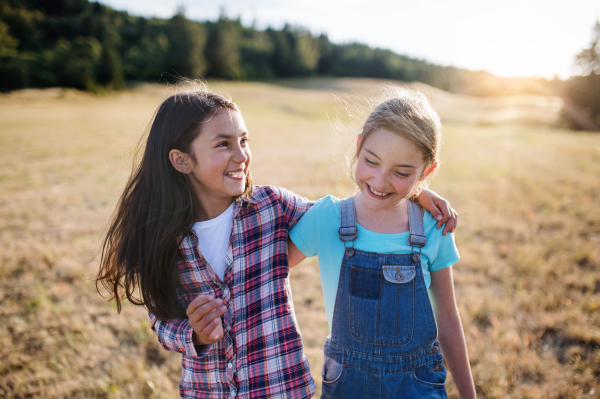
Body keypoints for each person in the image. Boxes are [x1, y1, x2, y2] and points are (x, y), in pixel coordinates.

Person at [96, 87, 458, 399]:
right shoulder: (164, 238)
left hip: (282, 388)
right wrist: (193, 333)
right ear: (182, 160)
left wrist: (414, 193)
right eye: (224, 144)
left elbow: (349, 214)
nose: (241, 155)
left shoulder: (270, 207)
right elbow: (161, 320)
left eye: (244, 141)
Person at [288, 87, 475, 398]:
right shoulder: (328, 218)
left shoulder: (433, 226)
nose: (380, 181)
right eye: (371, 161)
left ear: (426, 172)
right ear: (359, 146)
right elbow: (268, 270)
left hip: (417, 386)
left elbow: (447, 316)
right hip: (348, 386)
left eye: (401, 172)